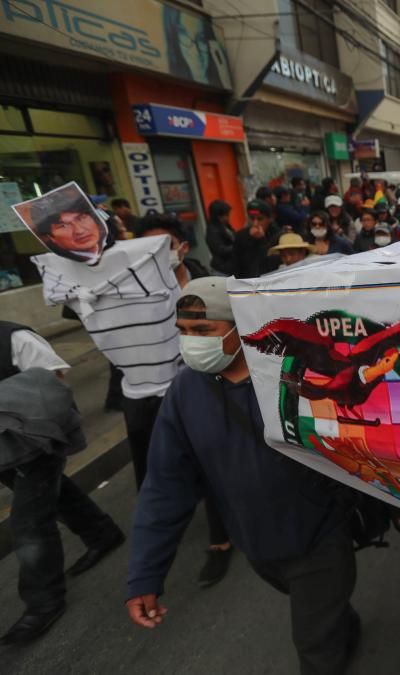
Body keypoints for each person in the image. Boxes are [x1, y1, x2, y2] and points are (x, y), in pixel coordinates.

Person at [125, 278, 360, 674]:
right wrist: (145, 573)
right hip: (258, 546)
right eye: (183, 331)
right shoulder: (184, 393)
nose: (190, 342)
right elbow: (166, 485)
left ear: (239, 328)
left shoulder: (293, 373)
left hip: (320, 537)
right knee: (323, 618)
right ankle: (341, 622)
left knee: (315, 647)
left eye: (203, 330)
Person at [0, 322, 125, 645]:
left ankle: (43, 602)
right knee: (53, 495)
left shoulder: (14, 338)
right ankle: (102, 533)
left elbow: (53, 384)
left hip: (39, 442)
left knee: (28, 522)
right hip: (4, 449)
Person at [136, 216, 234, 584]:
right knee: (165, 472)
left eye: (162, 246)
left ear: (182, 247)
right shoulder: (131, 296)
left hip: (212, 383)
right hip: (152, 395)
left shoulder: (208, 287)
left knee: (215, 464)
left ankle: (221, 540)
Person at [28, 188, 107, 264]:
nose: (79, 231)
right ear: (50, 237)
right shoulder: (55, 265)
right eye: (63, 226)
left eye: (81, 218)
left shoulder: (111, 245)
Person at [234, 200, 280, 279]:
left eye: (260, 219)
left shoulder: (277, 235)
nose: (255, 223)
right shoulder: (241, 236)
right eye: (252, 219)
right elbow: (236, 264)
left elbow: (271, 262)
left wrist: (261, 240)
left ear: (269, 219)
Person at [205, 200, 236, 276]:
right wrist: (237, 247)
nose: (228, 217)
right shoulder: (212, 231)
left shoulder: (225, 226)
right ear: (218, 216)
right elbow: (220, 250)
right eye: (226, 215)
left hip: (230, 267)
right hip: (222, 270)